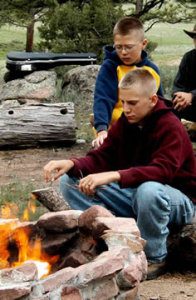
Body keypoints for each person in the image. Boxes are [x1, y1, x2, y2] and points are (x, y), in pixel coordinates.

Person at [43, 69, 196, 280]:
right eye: (123, 102)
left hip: (178, 201)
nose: (126, 109)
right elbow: (101, 157)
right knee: (70, 181)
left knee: (149, 190)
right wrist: (71, 163)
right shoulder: (127, 122)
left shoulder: (170, 126)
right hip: (137, 194)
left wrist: (114, 175)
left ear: (152, 99)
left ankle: (154, 257)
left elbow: (162, 171)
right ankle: (112, 236)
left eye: (132, 103)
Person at [92, 16, 163, 148]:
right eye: (118, 47)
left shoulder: (152, 70)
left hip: (144, 128)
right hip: (114, 128)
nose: (123, 52)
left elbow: (160, 103)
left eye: (129, 47)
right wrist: (102, 130)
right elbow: (103, 99)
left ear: (144, 43)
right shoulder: (110, 67)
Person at [172, 24, 196, 122]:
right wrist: (179, 96)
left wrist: (192, 95)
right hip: (189, 106)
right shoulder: (189, 57)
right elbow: (178, 84)